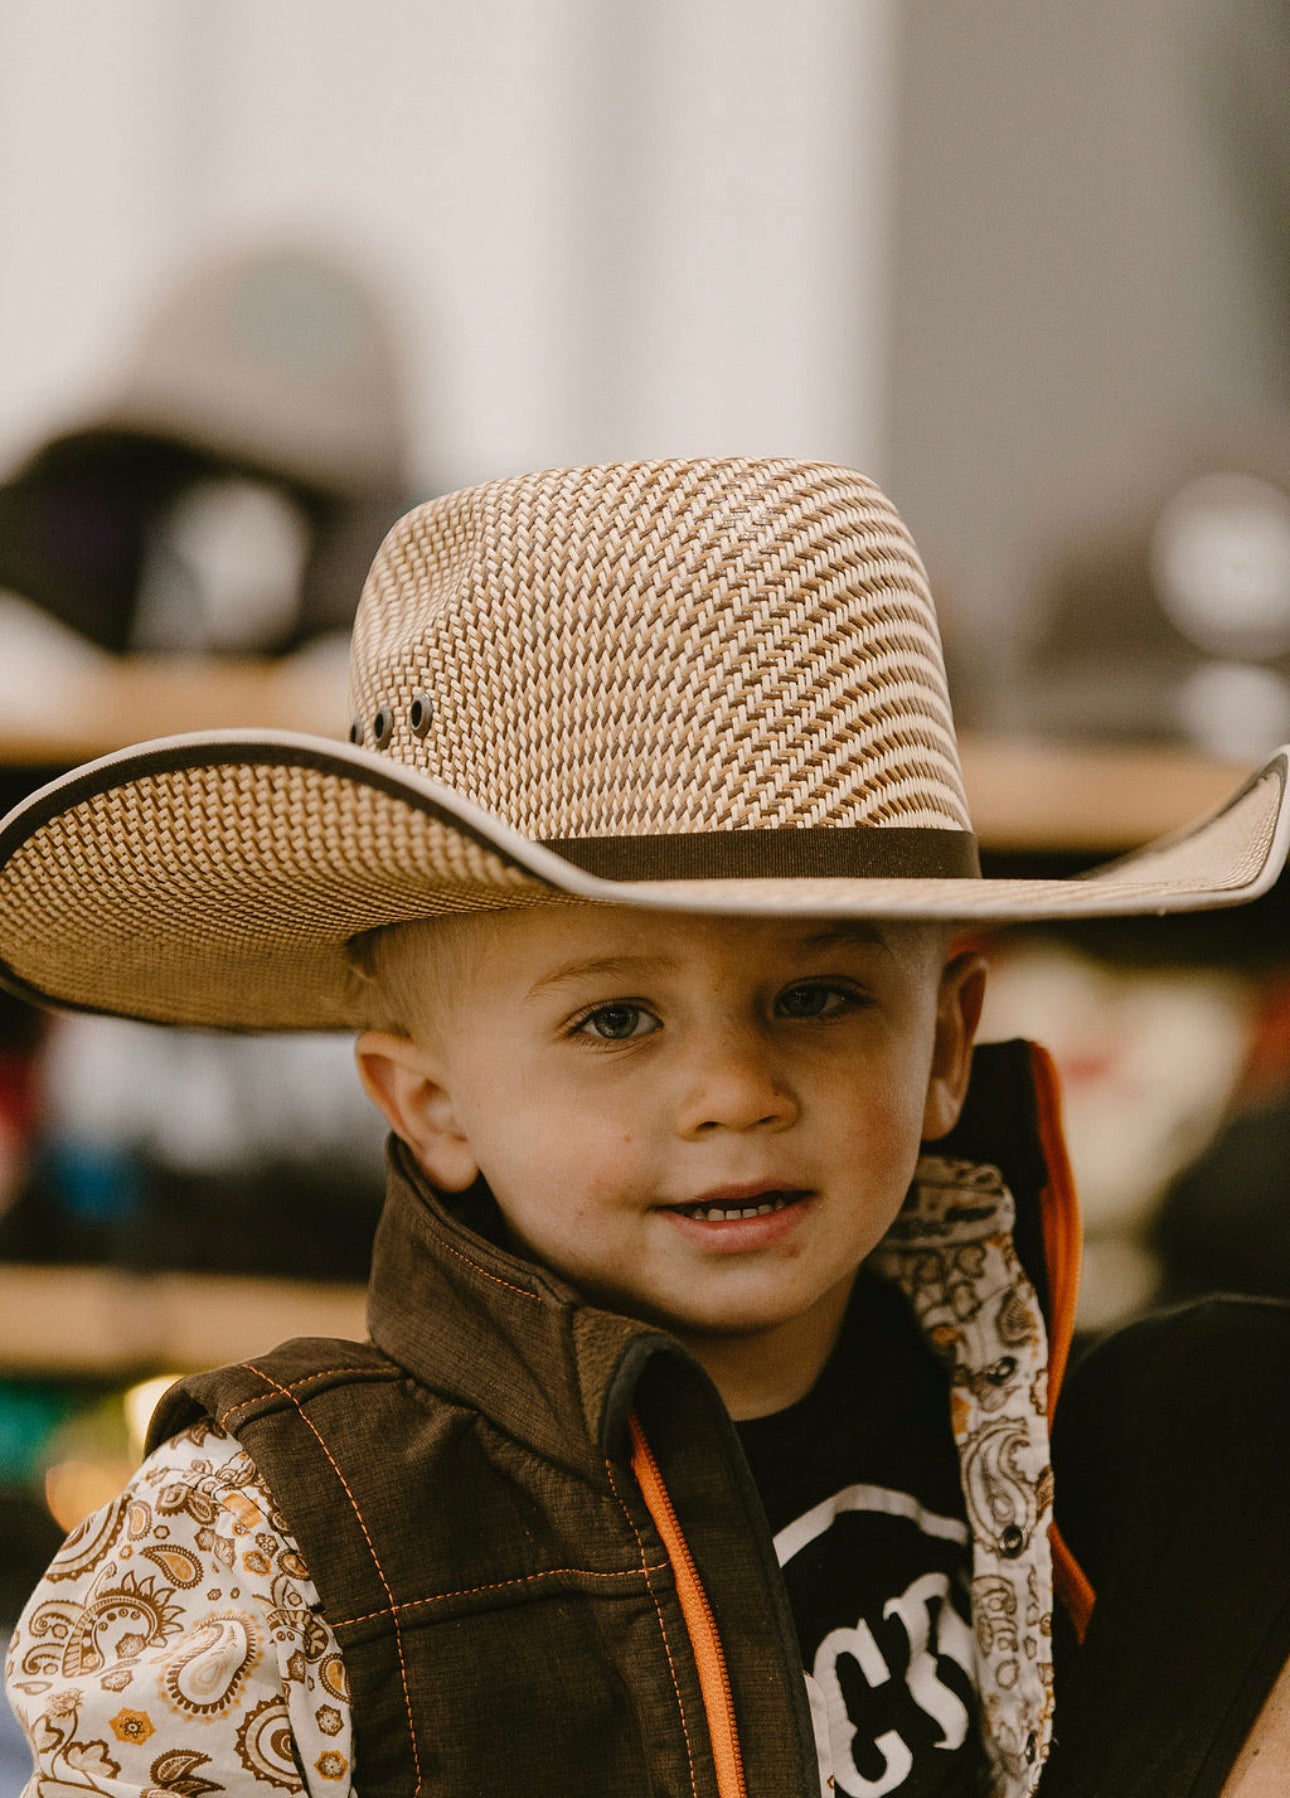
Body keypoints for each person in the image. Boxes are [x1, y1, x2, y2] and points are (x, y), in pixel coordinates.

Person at [1, 459, 1288, 1798]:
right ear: (427, 1102)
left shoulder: (1085, 1460)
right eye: (614, 1018)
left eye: (817, 995)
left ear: (946, 1044)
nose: (734, 1089)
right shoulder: (282, 1545)